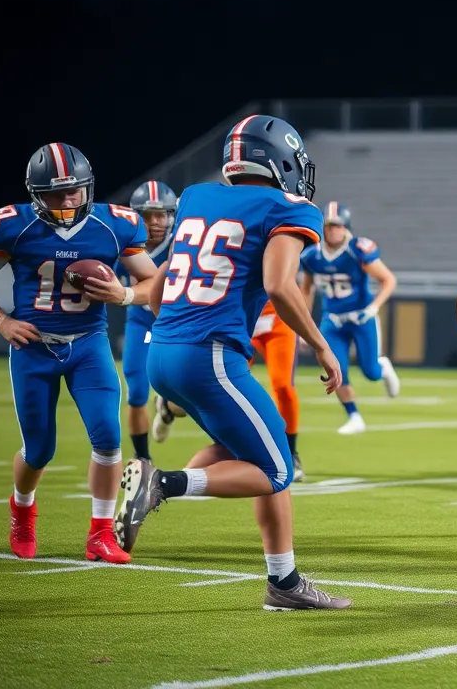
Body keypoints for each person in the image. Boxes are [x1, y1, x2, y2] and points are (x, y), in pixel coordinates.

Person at [114, 114, 350, 610]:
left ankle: (284, 583)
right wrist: (323, 346)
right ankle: (162, 484)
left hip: (164, 351)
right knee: (277, 470)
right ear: (281, 161)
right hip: (211, 357)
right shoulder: (288, 207)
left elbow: (157, 288)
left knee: (247, 452)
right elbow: (280, 286)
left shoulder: (197, 197)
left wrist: (176, 332)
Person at [0, 143, 159, 564]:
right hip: (33, 347)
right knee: (39, 450)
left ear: (89, 186)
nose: (67, 201)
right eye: (55, 194)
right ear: (36, 194)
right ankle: (22, 510)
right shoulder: (13, 226)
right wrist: (2, 321)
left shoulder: (114, 225)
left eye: (74, 191)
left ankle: (100, 534)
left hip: (88, 342)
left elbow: (154, 284)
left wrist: (123, 294)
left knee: (108, 438)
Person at [299, 201, 400, 435]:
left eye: (337, 226)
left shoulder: (357, 250)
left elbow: (388, 280)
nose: (333, 230)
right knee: (336, 370)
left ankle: (383, 368)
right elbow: (306, 290)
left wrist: (374, 307)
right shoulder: (312, 255)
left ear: (346, 227)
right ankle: (354, 416)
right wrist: (303, 325)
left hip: (361, 317)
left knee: (371, 372)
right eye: (329, 225)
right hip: (333, 319)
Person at [116, 180, 179, 460]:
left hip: (176, 324)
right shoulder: (122, 244)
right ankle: (142, 459)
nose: (154, 222)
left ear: (171, 216)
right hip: (142, 323)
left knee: (187, 394)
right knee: (137, 390)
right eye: (147, 215)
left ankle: (166, 408)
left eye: (160, 215)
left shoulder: (181, 243)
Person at [251, 303, 304, 481]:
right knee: (224, 385)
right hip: (238, 319)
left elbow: (288, 290)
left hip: (277, 319)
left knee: (283, 387)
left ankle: (290, 453)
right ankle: (228, 450)